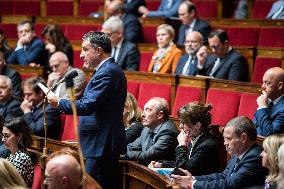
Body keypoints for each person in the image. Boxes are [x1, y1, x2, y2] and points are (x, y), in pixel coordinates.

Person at [47, 31, 127, 189]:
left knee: (94, 186)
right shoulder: (106, 70)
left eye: (85, 49)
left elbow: (87, 105)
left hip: (100, 145)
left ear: (98, 50)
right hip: (97, 143)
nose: (81, 54)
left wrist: (60, 102)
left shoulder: (108, 72)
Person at [171, 116, 268, 189]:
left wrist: (192, 184)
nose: (225, 143)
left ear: (243, 138)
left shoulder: (255, 157)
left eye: (228, 139)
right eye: (224, 139)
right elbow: (223, 176)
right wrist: (193, 178)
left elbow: (230, 184)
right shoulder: (239, 153)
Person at [149, 102, 219, 176]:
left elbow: (183, 170)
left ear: (197, 125)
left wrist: (182, 144)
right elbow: (185, 162)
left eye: (183, 123)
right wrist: (161, 164)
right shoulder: (196, 138)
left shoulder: (207, 145)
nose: (180, 126)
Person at [125, 97, 179, 166]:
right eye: (144, 109)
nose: (142, 115)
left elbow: (146, 157)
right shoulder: (147, 128)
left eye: (148, 110)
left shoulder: (168, 132)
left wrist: (127, 153)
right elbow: (130, 147)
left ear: (160, 115)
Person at [2, 117, 34, 187]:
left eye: (7, 136)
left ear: (19, 136)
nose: (3, 139)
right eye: (3, 135)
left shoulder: (22, 158)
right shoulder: (12, 155)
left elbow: (11, 186)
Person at [254, 67, 284, 137]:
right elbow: (255, 126)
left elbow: (269, 135)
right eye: (263, 82)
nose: (262, 86)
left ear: (280, 85)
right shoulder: (268, 100)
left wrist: (262, 107)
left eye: (267, 83)